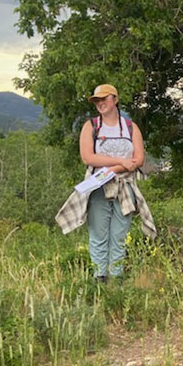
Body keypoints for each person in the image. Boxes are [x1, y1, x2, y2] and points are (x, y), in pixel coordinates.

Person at [55, 84, 156, 282]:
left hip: (125, 188)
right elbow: (88, 158)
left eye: (104, 99)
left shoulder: (130, 127)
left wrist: (116, 169)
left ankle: (116, 280)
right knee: (99, 236)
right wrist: (120, 162)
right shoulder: (91, 127)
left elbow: (139, 160)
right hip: (98, 187)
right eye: (97, 100)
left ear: (115, 99)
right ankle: (99, 280)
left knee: (119, 236)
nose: (100, 103)